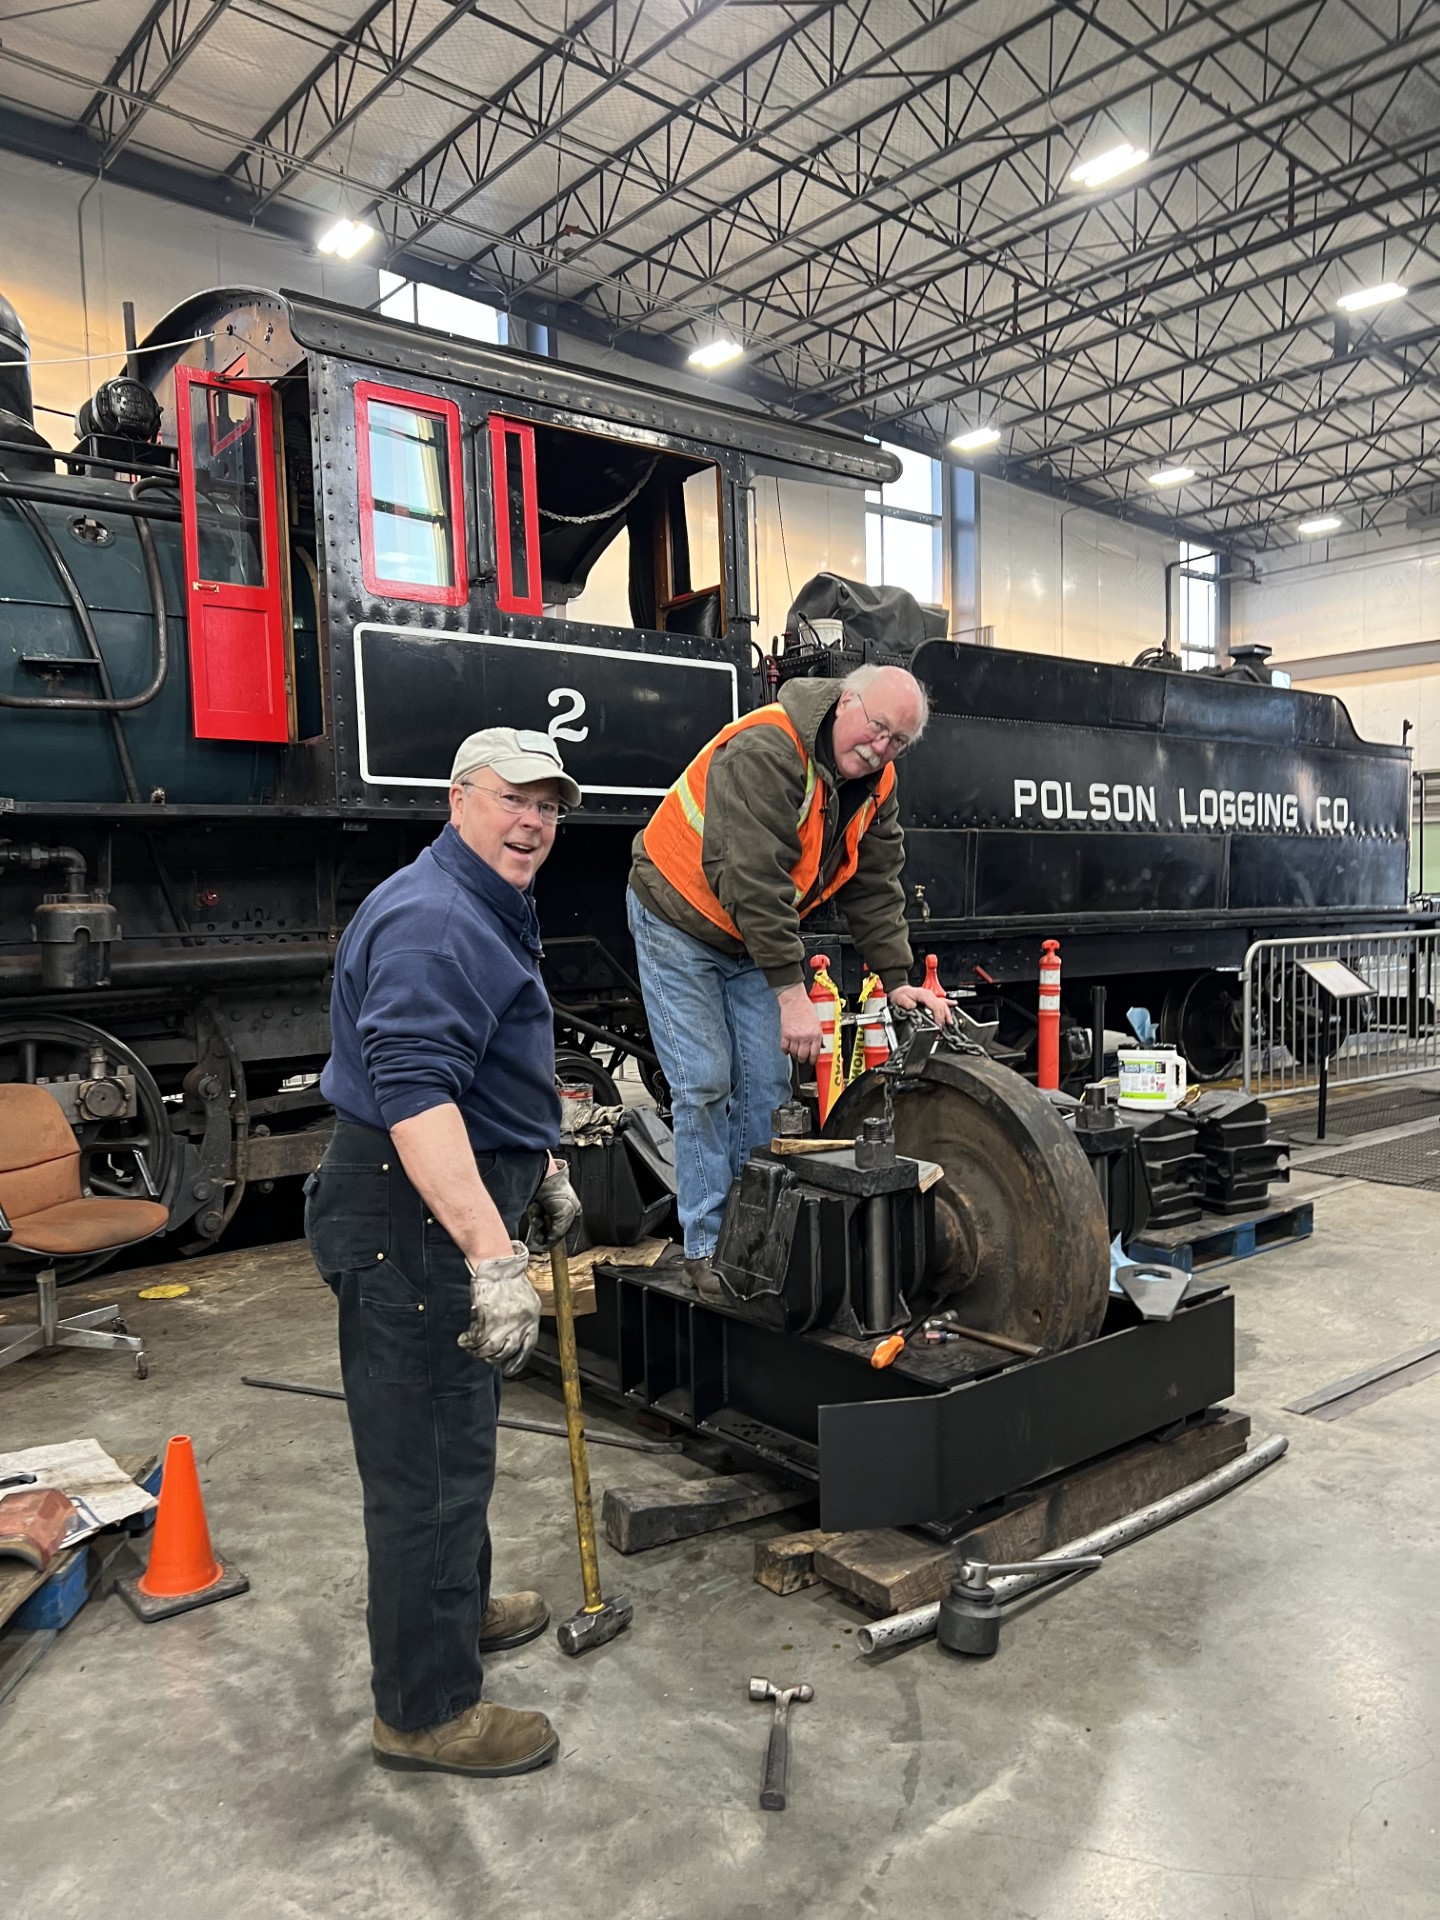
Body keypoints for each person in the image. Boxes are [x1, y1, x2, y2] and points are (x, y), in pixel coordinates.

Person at [305, 727, 583, 1779]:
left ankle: (454, 1613)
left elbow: (487, 1074)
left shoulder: (477, 900)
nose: (533, 823)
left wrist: (538, 1170)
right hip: (410, 1214)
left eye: (549, 807)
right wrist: (490, 1251)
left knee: (452, 1442)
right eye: (512, 799)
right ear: (457, 798)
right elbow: (419, 1099)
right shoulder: (436, 922)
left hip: (438, 1200)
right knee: (425, 1464)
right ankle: (423, 1713)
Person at [627, 662, 949, 1299]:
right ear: (845, 701)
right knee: (704, 1083)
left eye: (898, 742)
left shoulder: (877, 784)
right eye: (877, 728)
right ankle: (705, 1242)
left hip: (749, 932)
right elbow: (753, 879)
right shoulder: (769, 747)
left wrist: (896, 979)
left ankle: (757, 1239)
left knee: (766, 1086)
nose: (881, 748)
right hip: (679, 915)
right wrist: (791, 993)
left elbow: (876, 882)